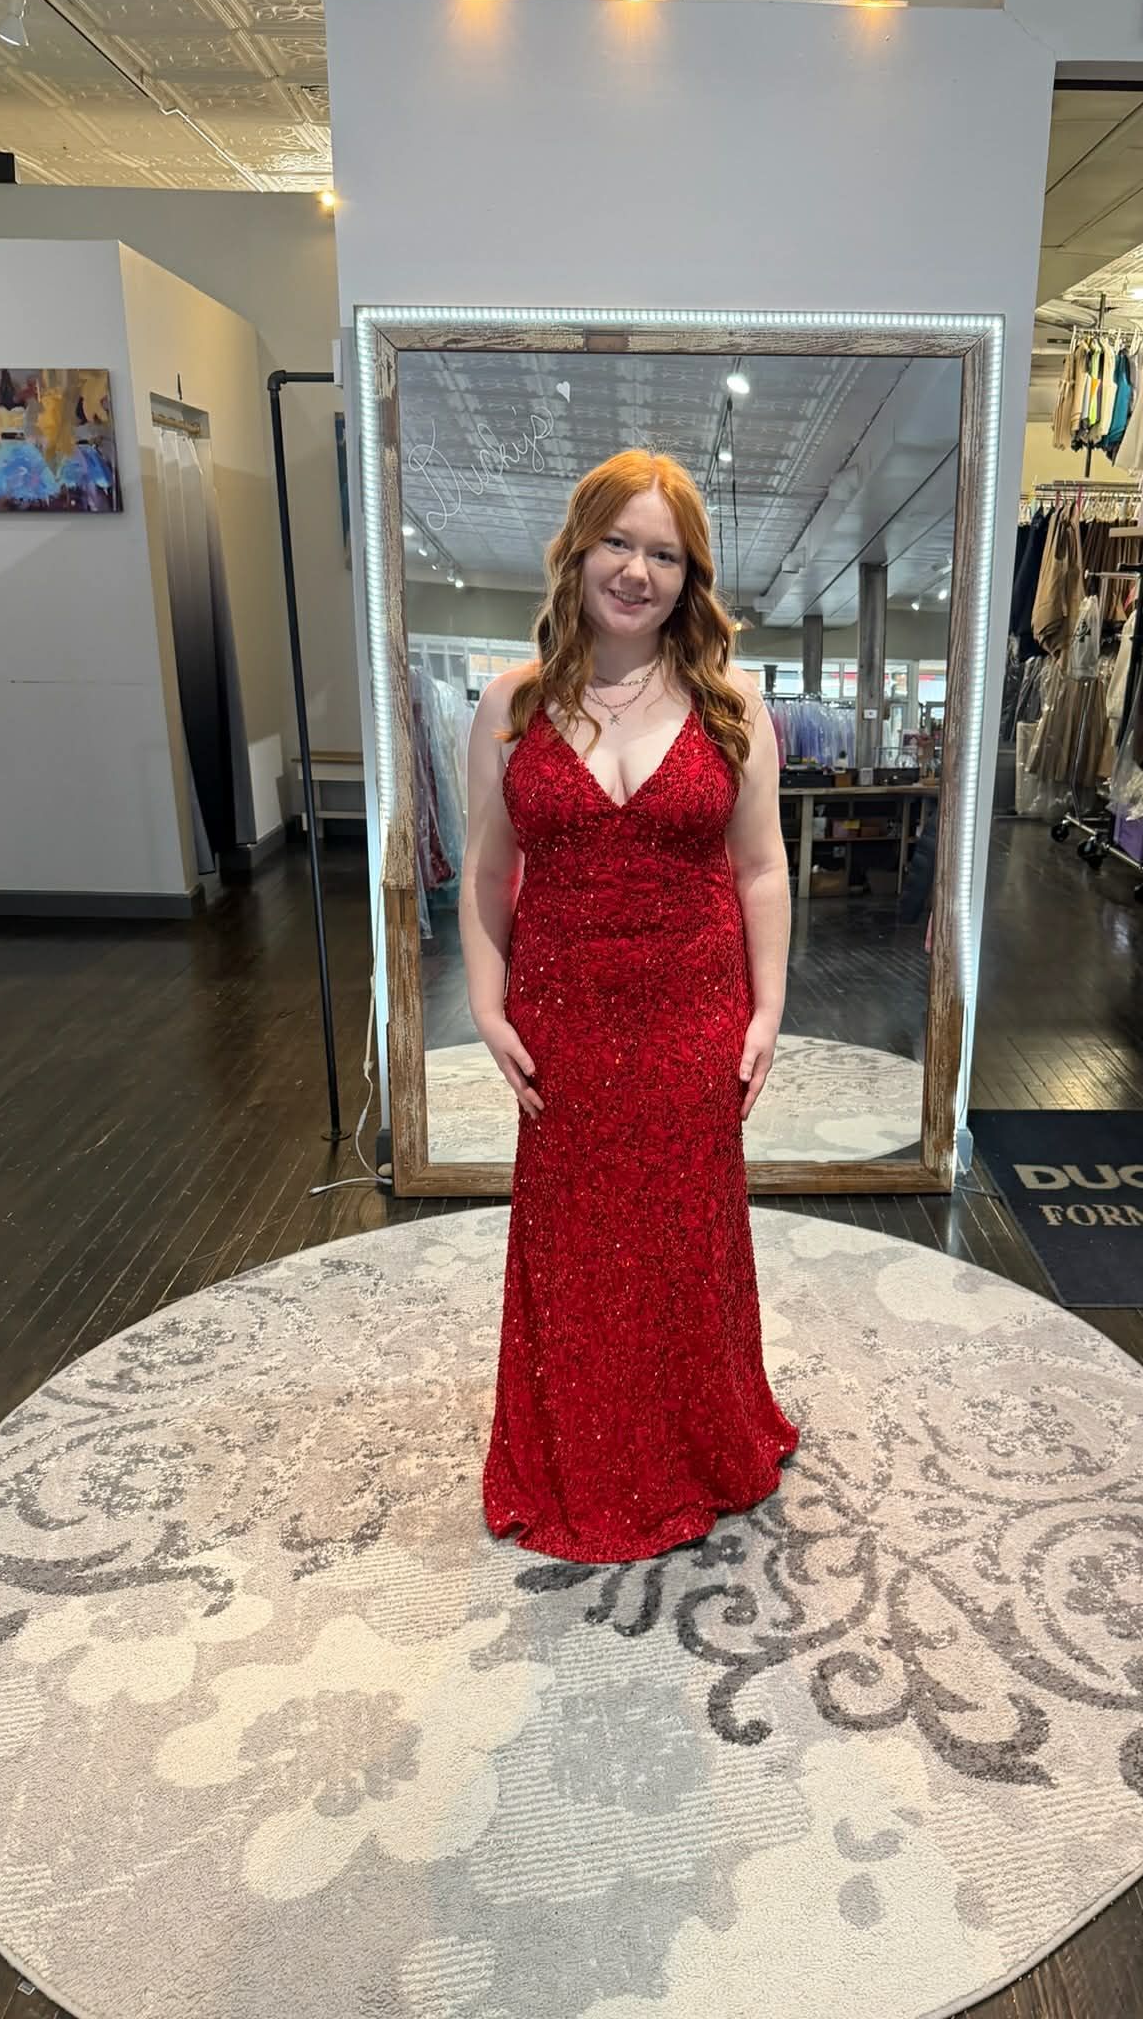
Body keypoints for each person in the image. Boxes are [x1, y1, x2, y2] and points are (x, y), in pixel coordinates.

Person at [464, 449, 799, 1563]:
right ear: (579, 549)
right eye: (620, 542)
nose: (638, 571)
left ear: (689, 577)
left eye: (665, 553)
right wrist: (485, 997)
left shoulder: (731, 703)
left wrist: (767, 1009)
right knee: (574, 1244)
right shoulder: (512, 703)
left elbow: (761, 868)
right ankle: (582, 1454)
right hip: (563, 1019)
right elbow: (483, 867)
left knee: (682, 1240)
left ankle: (700, 1441)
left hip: (691, 1015)